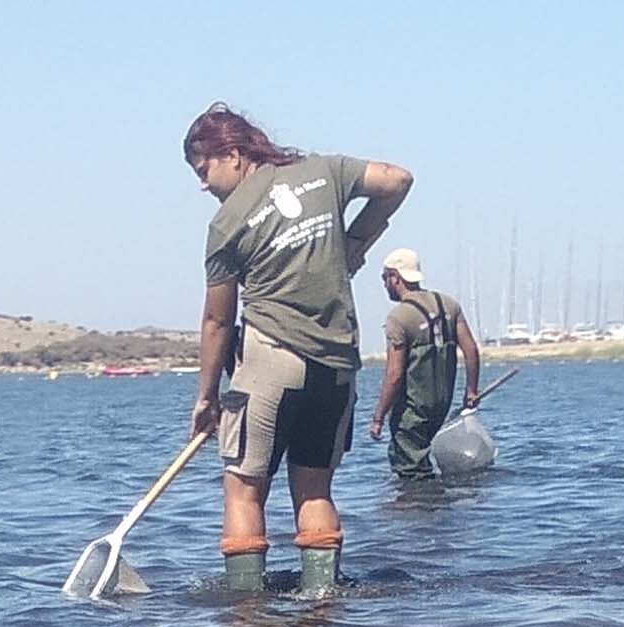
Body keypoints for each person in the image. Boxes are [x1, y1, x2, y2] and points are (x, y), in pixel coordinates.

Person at [184, 103, 413, 591]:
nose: (203, 186)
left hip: (273, 363)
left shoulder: (227, 225)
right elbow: (397, 180)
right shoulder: (322, 172)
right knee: (313, 491)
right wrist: (356, 241)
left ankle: (247, 616)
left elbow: (216, 320)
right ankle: (321, 605)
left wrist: (206, 397)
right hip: (335, 369)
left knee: (244, 494)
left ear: (232, 154)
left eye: (204, 172)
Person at [367, 248, 481, 478]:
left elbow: (395, 374)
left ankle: (418, 510)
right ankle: (437, 507)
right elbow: (471, 350)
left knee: (411, 472)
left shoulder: (398, 318)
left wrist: (378, 417)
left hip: (413, 411)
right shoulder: (449, 305)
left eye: (384, 278)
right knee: (425, 464)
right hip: (441, 406)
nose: (384, 284)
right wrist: (471, 391)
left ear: (395, 277)